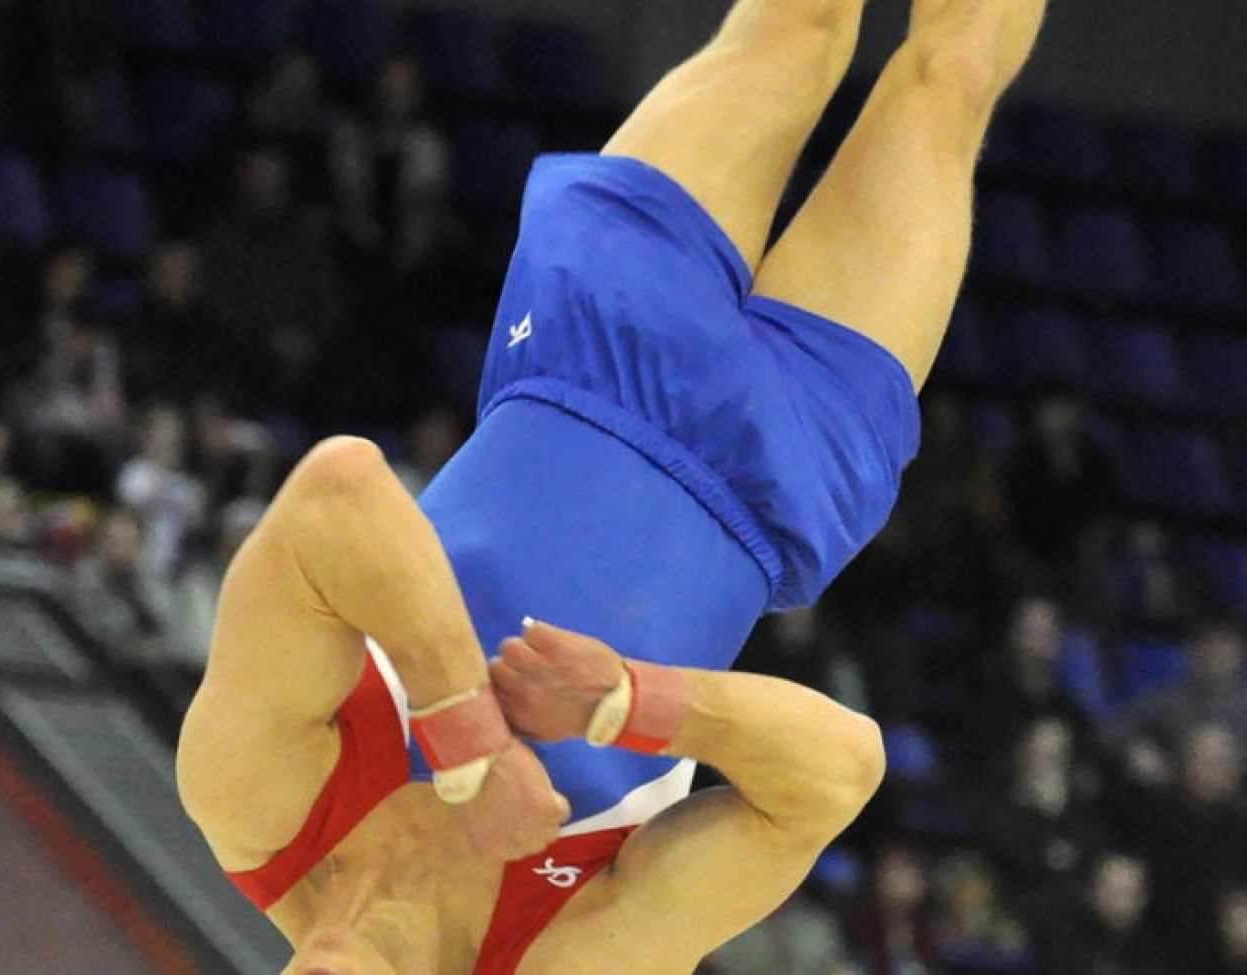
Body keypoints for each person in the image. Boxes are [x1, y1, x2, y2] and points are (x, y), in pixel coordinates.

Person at [176, 1, 1047, 972]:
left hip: (587, 343)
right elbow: (839, 772)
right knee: (948, 84)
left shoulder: (255, 808)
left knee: (794, 26)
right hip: (782, 470)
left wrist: (469, 741)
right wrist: (623, 704)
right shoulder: (550, 957)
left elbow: (337, 492)